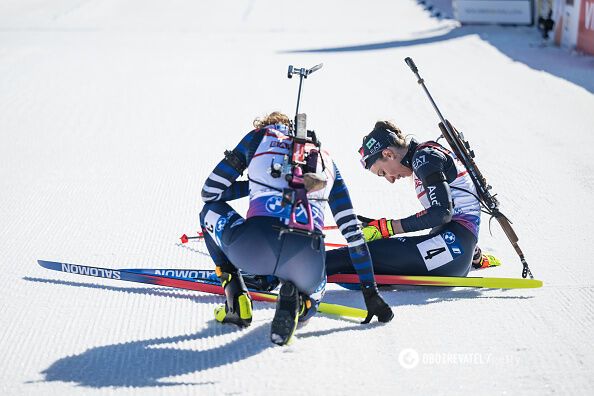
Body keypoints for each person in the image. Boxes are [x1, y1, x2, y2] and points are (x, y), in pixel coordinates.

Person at [199, 112, 393, 346]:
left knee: (208, 211)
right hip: (306, 259)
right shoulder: (328, 162)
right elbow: (353, 233)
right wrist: (370, 292)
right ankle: (301, 304)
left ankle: (236, 298)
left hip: (252, 246)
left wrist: (256, 184)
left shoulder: (257, 138)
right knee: (314, 291)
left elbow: (210, 193)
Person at [325, 120, 498, 278]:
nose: (390, 179)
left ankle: (303, 271)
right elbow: (459, 210)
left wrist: (387, 228)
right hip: (455, 250)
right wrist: (474, 256)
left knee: (357, 254)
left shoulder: (424, 158)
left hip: (453, 250)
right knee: (364, 254)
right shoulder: (425, 156)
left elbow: (441, 213)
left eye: (383, 172)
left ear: (388, 154)